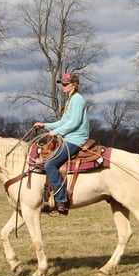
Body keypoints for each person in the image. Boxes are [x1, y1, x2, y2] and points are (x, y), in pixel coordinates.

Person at [32, 72, 90, 215]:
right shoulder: (70, 101)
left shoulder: (77, 99)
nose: (63, 87)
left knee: (50, 164)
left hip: (76, 139)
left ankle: (61, 199)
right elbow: (64, 122)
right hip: (70, 137)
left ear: (74, 85)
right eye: (62, 84)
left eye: (66, 84)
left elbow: (74, 122)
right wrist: (45, 125)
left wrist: (56, 132)